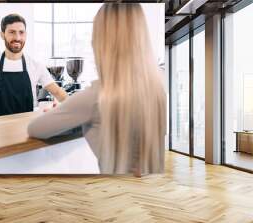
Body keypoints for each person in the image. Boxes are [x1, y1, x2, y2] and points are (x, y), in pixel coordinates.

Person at [27, 3, 166, 176]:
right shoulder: (158, 88)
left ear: (102, 42)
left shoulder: (95, 97)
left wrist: (71, 113)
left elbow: (36, 128)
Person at [0, 14, 67, 118]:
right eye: (12, 32)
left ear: (26, 34)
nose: (17, 37)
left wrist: (76, 110)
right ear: (2, 34)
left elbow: (57, 92)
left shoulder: (36, 65)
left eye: (21, 32)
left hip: (27, 129)